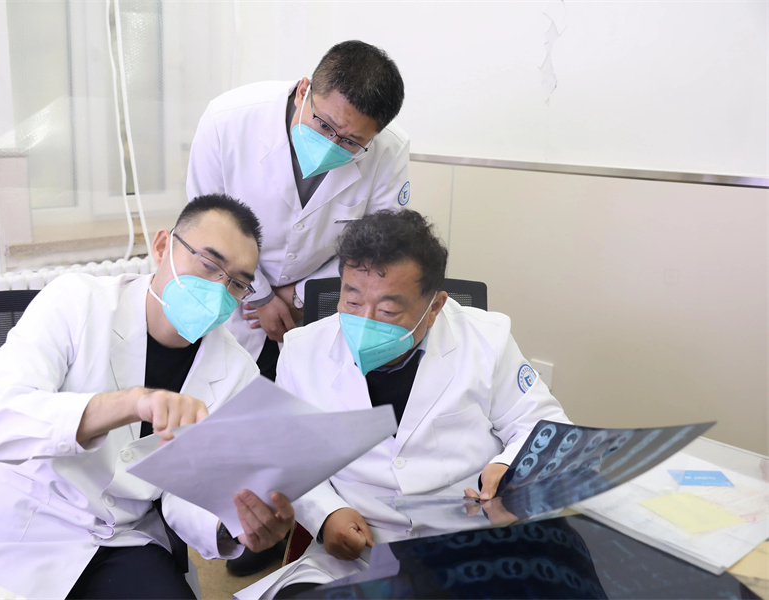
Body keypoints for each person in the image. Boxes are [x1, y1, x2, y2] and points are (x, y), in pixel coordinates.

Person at [0, 195, 295, 600]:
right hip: (20, 521)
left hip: (119, 534)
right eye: (209, 264)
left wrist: (232, 522)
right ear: (162, 247)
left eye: (237, 283)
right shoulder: (77, 301)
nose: (219, 290)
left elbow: (186, 489)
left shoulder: (237, 371)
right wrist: (131, 403)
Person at [236, 209, 572, 599]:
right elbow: (290, 454)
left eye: (388, 310)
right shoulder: (301, 352)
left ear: (435, 307)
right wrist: (326, 513)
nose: (366, 320)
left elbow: (545, 426)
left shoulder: (486, 339)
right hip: (362, 548)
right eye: (352, 300)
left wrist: (510, 468)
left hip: (471, 541)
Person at [187, 39, 410, 382]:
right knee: (217, 395)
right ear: (304, 90)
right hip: (228, 297)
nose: (332, 145)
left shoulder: (388, 150)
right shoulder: (227, 120)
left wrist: (300, 296)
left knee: (302, 398)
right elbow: (205, 226)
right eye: (324, 125)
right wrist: (261, 297)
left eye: (351, 142)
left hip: (312, 308)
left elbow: (379, 247)